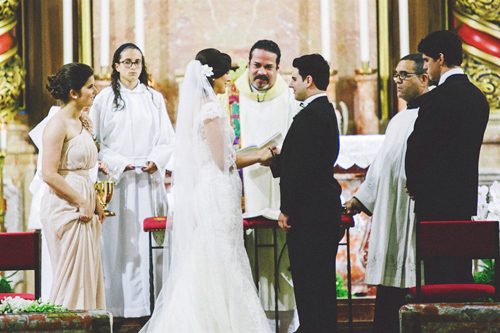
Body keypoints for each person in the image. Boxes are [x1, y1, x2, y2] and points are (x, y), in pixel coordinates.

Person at [141, 48, 273, 332]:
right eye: (226, 73)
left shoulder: (198, 106)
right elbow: (223, 159)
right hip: (217, 191)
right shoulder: (210, 108)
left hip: (209, 188)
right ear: (212, 75)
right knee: (223, 255)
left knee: (213, 253)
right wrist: (260, 155)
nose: (229, 79)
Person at [90, 43, 175, 320]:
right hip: (118, 183)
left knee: (148, 244)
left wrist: (156, 160)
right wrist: (118, 162)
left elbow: (167, 139)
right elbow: (95, 143)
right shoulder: (103, 100)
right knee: (118, 245)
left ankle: (150, 306)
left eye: (137, 62)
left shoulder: (154, 98)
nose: (132, 67)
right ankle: (117, 307)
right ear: (116, 66)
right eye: (126, 62)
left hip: (147, 181)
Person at [345, 53, 429, 333]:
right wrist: (360, 198)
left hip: (412, 206)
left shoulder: (433, 114)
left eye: (404, 75)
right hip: (392, 208)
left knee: (413, 273)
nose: (397, 81)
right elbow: (380, 165)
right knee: (390, 282)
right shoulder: (398, 119)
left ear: (424, 78)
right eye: (396, 75)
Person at [405, 31, 489, 285]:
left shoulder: (434, 99)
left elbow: (418, 147)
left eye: (427, 61)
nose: (426, 68)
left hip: (434, 202)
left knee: (437, 276)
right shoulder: (478, 98)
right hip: (463, 199)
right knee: (459, 273)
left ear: (440, 59)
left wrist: (414, 184)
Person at [229, 39, 298, 321]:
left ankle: (284, 318)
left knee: (282, 257)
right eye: (256, 65)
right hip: (243, 191)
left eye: (269, 67)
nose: (262, 72)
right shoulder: (231, 98)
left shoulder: (290, 98)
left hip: (279, 194)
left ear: (278, 69)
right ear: (248, 65)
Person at [272, 54, 342, 332]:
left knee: (310, 281)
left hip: (310, 214)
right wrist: (282, 157)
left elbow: (301, 171)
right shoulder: (323, 110)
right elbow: (306, 159)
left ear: (308, 80)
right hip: (321, 210)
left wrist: (286, 208)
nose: (290, 84)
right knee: (319, 282)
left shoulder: (310, 115)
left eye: (294, 78)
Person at [41, 62, 106, 310]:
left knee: (87, 276)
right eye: (90, 86)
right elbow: (48, 173)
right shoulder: (57, 125)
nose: (95, 91)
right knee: (72, 280)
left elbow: (85, 171)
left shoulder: (84, 121)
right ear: (74, 93)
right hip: (65, 205)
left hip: (84, 201)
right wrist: (80, 201)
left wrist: (95, 201)